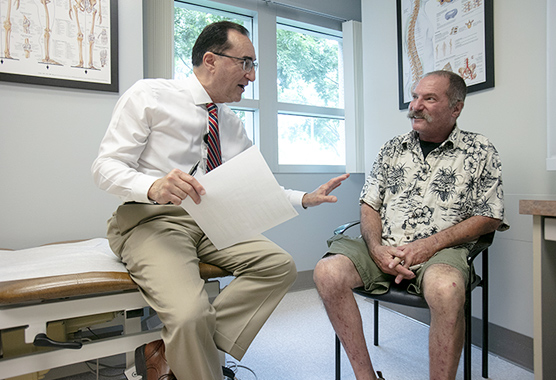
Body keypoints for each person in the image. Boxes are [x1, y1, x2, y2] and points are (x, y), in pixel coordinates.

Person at [92, 21, 349, 380]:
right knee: (189, 315)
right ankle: (193, 353)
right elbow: (105, 167)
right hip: (151, 220)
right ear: (210, 60)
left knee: (278, 265)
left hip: (210, 222)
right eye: (246, 63)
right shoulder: (149, 96)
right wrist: (152, 186)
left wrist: (305, 198)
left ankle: (177, 350)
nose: (252, 76)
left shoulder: (229, 124)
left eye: (253, 66)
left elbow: (258, 187)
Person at [313, 70, 508, 380]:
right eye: (415, 96)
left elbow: (490, 216)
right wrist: (376, 249)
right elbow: (369, 204)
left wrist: (427, 246)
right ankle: (365, 376)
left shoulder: (480, 150)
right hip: (384, 246)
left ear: (456, 108)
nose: (416, 105)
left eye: (429, 98)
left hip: (440, 252)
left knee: (448, 290)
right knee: (328, 272)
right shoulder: (392, 148)